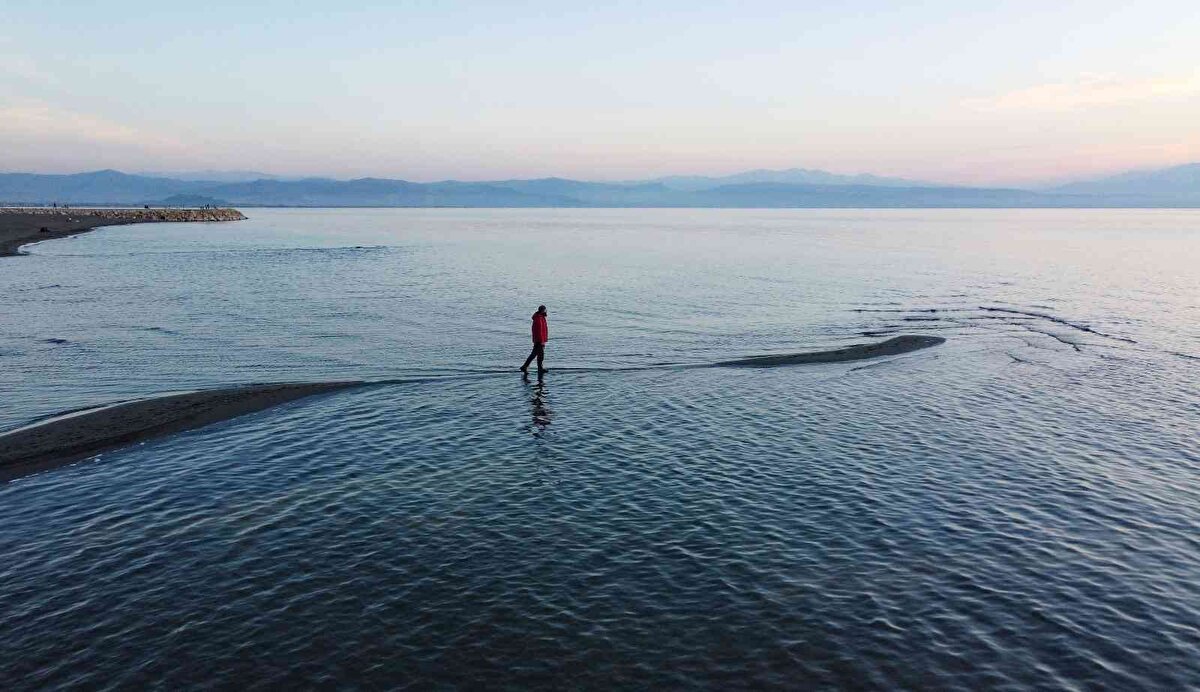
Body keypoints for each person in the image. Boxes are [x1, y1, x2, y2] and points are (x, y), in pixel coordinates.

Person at [520, 305, 549, 374]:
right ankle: (539, 368)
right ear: (542, 310)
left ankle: (525, 366)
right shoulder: (539, 319)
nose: (546, 311)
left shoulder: (541, 317)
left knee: (535, 354)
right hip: (539, 340)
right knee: (540, 354)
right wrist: (541, 341)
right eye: (545, 310)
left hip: (538, 340)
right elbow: (540, 331)